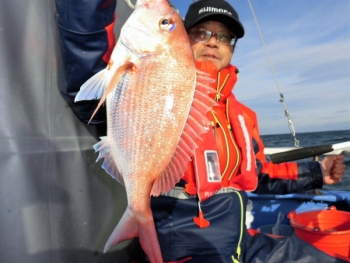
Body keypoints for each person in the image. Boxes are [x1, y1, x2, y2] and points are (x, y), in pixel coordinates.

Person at [55, 0, 347, 262]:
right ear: (184, 39)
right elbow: (86, 65)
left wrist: (319, 173)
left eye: (224, 37)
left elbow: (257, 175)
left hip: (242, 242)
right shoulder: (148, 85)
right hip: (183, 246)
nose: (213, 42)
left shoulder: (243, 115)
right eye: (201, 33)